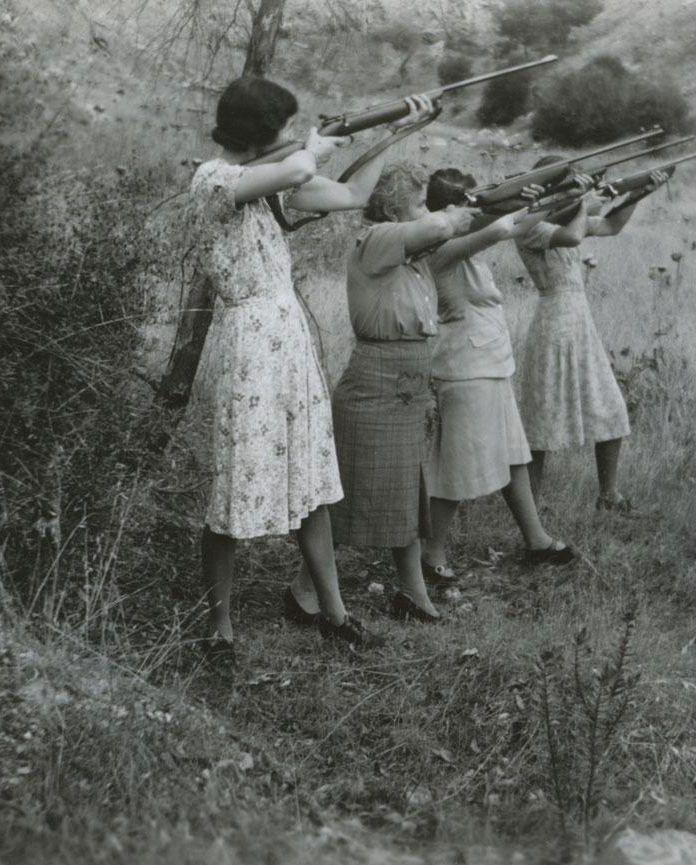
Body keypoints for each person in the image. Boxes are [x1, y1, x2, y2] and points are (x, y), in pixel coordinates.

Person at [185, 76, 435, 660]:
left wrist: (392, 136)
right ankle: (218, 629)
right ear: (261, 130)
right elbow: (299, 171)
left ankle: (333, 611)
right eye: (280, 126)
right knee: (233, 489)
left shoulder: (265, 183)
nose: (287, 135)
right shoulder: (214, 179)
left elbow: (349, 197)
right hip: (250, 345)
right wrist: (315, 146)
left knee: (311, 481)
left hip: (286, 340)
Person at [293, 162, 477, 624]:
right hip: (376, 383)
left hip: (405, 382)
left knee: (405, 493)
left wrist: (502, 208)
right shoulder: (377, 241)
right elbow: (439, 223)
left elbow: (476, 232)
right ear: (395, 207)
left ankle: (411, 594)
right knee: (349, 494)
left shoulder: (408, 252)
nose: (426, 211)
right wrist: (455, 212)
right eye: (417, 202)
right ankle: (302, 592)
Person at [418, 168, 578, 586]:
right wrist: (525, 201)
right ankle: (428, 554)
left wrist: (549, 198)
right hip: (466, 365)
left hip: (487, 360)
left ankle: (535, 539)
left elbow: (511, 224)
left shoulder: (458, 240)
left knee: (513, 455)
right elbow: (499, 228)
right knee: (457, 469)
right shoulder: (440, 243)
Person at [514, 157, 669, 511]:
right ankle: (530, 509)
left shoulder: (567, 216)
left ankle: (608, 495)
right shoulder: (529, 225)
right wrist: (584, 202)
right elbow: (572, 236)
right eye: (569, 185)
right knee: (541, 421)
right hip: (554, 323)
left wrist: (638, 193)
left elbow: (612, 226)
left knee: (610, 406)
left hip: (580, 322)